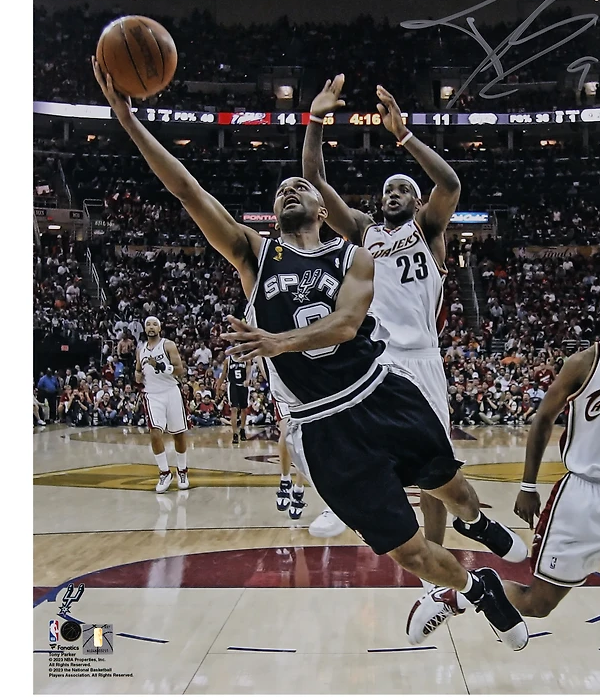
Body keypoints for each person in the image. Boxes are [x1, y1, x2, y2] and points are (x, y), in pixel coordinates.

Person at [91, 57, 529, 652]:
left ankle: (479, 523)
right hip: (321, 427)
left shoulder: (356, 254)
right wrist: (127, 118)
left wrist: (275, 342)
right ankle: (478, 590)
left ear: (323, 209)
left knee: (451, 488)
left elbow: (348, 324)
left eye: (299, 185)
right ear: (272, 215)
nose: (290, 188)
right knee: (405, 548)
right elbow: (185, 188)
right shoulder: (254, 254)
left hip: (380, 392)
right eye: (280, 191)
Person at [302, 75, 527, 584]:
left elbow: (449, 185)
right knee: (354, 445)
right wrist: (315, 120)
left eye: (405, 188)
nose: (398, 193)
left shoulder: (428, 230)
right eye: (390, 190)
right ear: (380, 201)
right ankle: (346, 508)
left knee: (434, 473)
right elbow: (315, 181)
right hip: (378, 361)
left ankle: (436, 574)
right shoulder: (364, 232)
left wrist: (403, 135)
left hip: (423, 359)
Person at [407, 274, 600, 639]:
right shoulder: (586, 362)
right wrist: (528, 485)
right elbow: (542, 419)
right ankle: (460, 595)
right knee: (538, 603)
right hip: (584, 495)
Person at [136, 315, 191, 493]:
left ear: (159, 328)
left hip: (171, 391)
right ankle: (164, 472)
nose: (151, 327)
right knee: (154, 432)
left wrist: (160, 366)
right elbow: (138, 370)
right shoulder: (140, 349)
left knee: (179, 434)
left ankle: (182, 470)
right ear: (145, 329)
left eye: (154, 324)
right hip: (152, 394)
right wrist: (137, 375)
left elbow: (180, 370)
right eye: (148, 324)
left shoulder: (168, 345)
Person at [216, 354, 250, 444]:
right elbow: (223, 374)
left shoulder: (246, 359)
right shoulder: (228, 360)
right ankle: (235, 433)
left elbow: (248, 372)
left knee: (244, 409)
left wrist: (247, 380)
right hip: (233, 386)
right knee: (234, 409)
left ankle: (242, 429)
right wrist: (218, 387)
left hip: (243, 386)